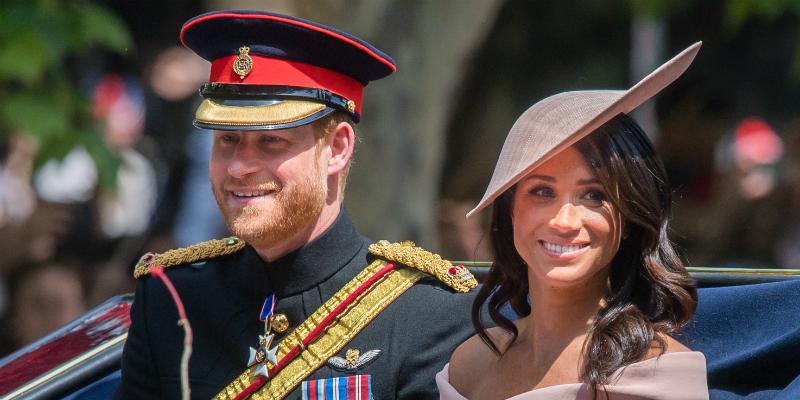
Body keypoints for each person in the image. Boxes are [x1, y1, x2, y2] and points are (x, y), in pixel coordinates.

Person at [115, 10, 477, 400]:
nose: (238, 167)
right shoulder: (171, 300)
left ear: (337, 148)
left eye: (271, 141)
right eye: (227, 140)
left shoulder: (427, 314)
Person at [437, 43, 709, 399]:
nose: (564, 221)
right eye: (542, 192)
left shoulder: (662, 374)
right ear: (510, 211)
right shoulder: (467, 366)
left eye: (594, 195)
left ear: (629, 217)